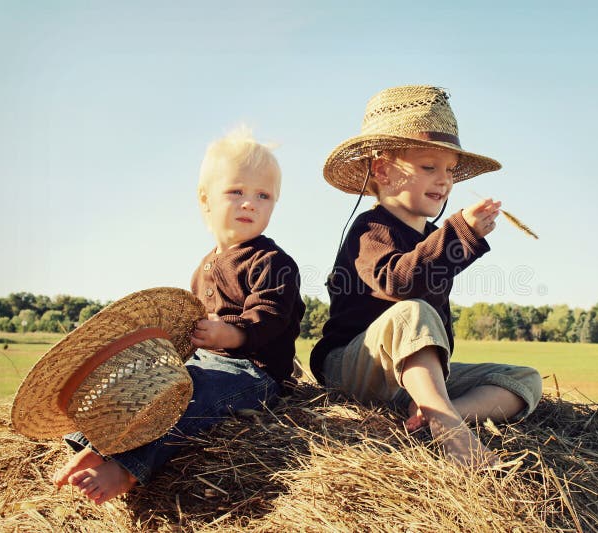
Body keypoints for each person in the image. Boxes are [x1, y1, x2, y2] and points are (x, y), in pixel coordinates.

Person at [51, 126, 306, 503]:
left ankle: (127, 468)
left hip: (254, 371)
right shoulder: (205, 265)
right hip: (208, 360)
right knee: (153, 383)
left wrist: (229, 334)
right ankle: (97, 442)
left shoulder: (273, 262)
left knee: (192, 397)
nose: (249, 203)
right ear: (205, 201)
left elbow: (271, 319)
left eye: (263, 196)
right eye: (236, 191)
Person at [310, 85, 543, 467]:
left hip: (410, 377)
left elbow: (429, 268)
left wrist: (456, 235)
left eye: (450, 170)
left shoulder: (431, 238)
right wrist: (459, 232)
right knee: (413, 312)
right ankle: (451, 431)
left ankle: (438, 413)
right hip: (355, 365)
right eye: (428, 167)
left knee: (523, 379)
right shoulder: (371, 229)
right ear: (383, 170)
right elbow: (401, 283)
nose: (444, 180)